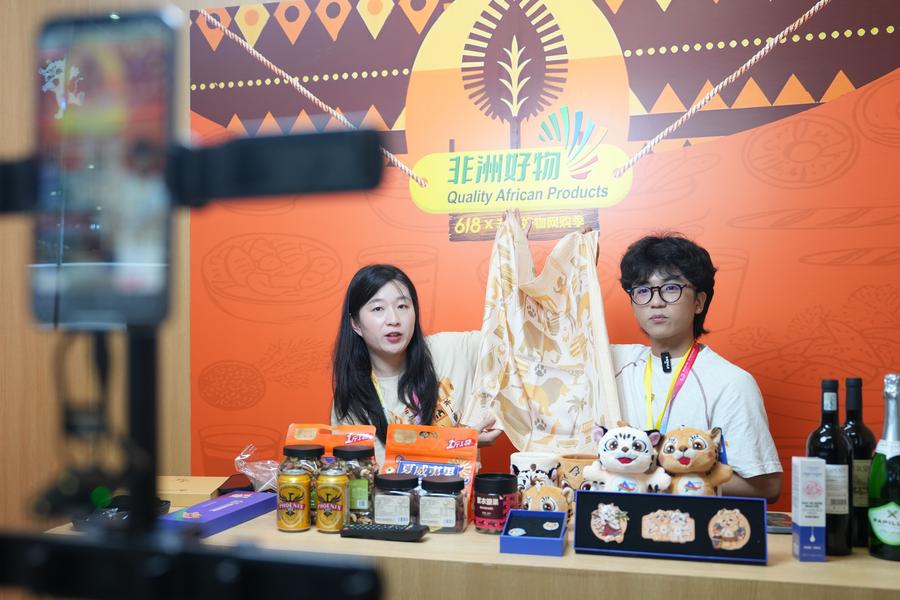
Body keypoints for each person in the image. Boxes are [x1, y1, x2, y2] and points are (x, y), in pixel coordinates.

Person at [611, 234, 783, 502]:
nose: (656, 302)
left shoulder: (731, 382)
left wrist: (665, 475)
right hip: (617, 520)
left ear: (699, 302)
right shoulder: (611, 363)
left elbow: (767, 487)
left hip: (690, 523)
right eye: (643, 290)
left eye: (670, 288)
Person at [331, 264, 501, 462]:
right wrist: (461, 443)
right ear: (356, 324)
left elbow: (517, 345)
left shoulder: (453, 350)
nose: (393, 319)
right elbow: (370, 475)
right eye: (378, 308)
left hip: (465, 483)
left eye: (402, 306)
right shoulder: (352, 401)